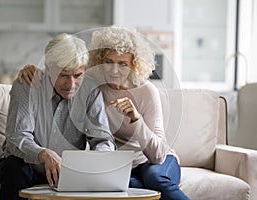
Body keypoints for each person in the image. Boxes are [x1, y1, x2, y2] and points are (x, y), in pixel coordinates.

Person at [19, 26, 189, 200]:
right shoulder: (93, 86)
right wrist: (34, 69)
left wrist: (136, 120)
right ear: (100, 60)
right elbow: (69, 67)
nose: (114, 71)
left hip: (152, 160)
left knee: (155, 179)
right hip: (119, 164)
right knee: (123, 187)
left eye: (123, 64)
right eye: (109, 61)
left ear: (135, 65)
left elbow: (158, 155)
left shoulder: (146, 91)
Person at [0, 33, 115, 200]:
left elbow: (102, 139)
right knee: (14, 167)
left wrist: (98, 157)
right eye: (63, 75)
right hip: (26, 167)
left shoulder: (90, 89)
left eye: (77, 75)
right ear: (48, 68)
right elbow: (17, 137)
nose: (71, 85)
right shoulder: (27, 85)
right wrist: (43, 153)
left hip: (68, 173)